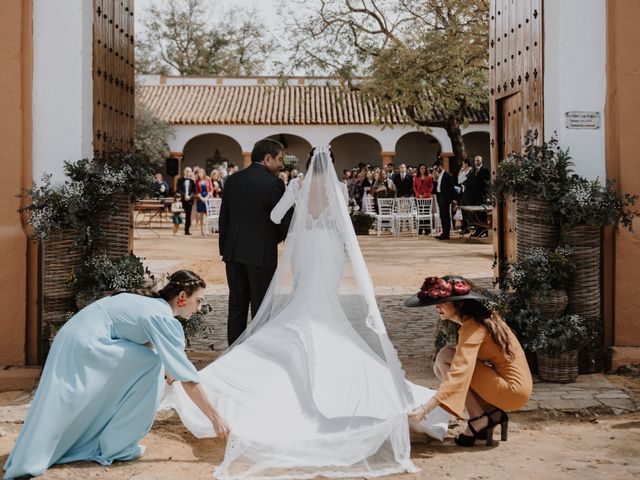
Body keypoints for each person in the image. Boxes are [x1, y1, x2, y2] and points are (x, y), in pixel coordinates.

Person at [162, 147, 448, 480]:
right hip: (329, 249)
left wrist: (293, 214)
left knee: (302, 302)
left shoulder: (296, 185)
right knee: (327, 306)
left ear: (307, 165)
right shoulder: (338, 188)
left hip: (304, 247)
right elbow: (345, 224)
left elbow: (274, 218)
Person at [3, 271, 229, 480]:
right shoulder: (161, 317)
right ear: (182, 297)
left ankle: (96, 441)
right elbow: (188, 377)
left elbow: (146, 341)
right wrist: (215, 417)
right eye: (198, 301)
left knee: (71, 398)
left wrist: (169, 367)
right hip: (88, 344)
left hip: (73, 338)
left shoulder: (151, 306)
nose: (198, 308)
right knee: (150, 364)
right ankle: (118, 444)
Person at [405, 275, 532, 446]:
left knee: (445, 358)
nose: (437, 307)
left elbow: (459, 371)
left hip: (512, 390)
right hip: (515, 388)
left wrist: (425, 409)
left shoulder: (473, 326)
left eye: (443, 302)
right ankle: (490, 413)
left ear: (459, 303)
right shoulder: (479, 320)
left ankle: (478, 418)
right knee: (442, 361)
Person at [219, 138, 292, 345]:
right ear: (267, 158)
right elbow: (284, 219)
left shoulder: (232, 180)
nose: (280, 165)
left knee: (237, 305)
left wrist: (225, 249)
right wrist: (278, 239)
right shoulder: (273, 183)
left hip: (233, 253)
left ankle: (234, 349)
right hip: (261, 254)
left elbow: (225, 218)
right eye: (279, 159)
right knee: (261, 307)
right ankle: (258, 349)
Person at [465, 155, 492, 237]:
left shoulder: (485, 170)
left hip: (482, 195)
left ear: (481, 161)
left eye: (478, 161)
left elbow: (487, 183)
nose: (476, 162)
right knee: (475, 214)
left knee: (482, 214)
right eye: (475, 161)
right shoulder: (473, 171)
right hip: (474, 196)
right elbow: (469, 181)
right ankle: (477, 230)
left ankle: (484, 232)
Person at [432, 160, 455, 240]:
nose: (435, 170)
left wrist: (452, 199)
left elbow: (451, 188)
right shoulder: (438, 175)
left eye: (436, 168)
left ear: (440, 166)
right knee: (442, 215)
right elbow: (435, 189)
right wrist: (435, 180)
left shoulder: (448, 175)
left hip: (445, 197)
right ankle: (443, 232)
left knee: (446, 216)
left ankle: (446, 234)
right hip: (439, 196)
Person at [176, 167, 196, 235]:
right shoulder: (179, 180)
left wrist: (190, 196)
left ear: (190, 172)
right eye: (187, 171)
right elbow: (178, 190)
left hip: (189, 200)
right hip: (181, 200)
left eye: (189, 171)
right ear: (184, 172)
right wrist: (184, 196)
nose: (188, 172)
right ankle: (176, 230)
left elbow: (194, 191)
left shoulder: (192, 181)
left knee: (188, 215)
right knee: (178, 214)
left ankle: (186, 231)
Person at [194, 168, 213, 236]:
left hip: (208, 198)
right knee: (201, 216)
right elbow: (196, 191)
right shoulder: (197, 181)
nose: (199, 174)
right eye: (198, 173)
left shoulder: (208, 179)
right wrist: (202, 198)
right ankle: (202, 231)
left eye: (201, 173)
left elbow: (211, 189)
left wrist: (206, 198)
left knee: (208, 215)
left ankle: (207, 230)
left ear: (203, 173)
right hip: (201, 199)